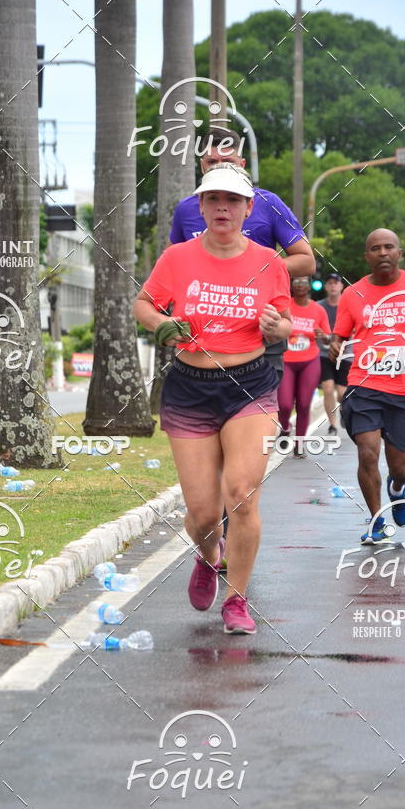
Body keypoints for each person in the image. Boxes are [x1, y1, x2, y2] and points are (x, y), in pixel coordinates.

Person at [134, 164, 292, 633]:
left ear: (247, 209)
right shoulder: (177, 258)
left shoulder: (270, 261)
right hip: (189, 387)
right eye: (213, 200)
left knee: (241, 494)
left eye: (232, 200)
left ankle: (237, 600)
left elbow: (284, 321)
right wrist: (160, 325)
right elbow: (144, 303)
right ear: (201, 208)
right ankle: (209, 555)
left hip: (251, 385)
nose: (222, 207)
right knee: (204, 514)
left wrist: (275, 327)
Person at [170, 126, 314, 380]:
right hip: (203, 335)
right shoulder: (187, 209)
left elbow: (306, 260)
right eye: (212, 161)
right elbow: (173, 270)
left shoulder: (267, 203)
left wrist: (253, 269)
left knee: (261, 413)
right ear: (201, 165)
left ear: (242, 163)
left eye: (228, 161)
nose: (220, 167)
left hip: (260, 329)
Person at [330, 229, 405, 544]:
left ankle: (398, 488)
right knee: (367, 454)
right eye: (375, 248)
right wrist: (334, 345)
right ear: (366, 256)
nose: (382, 252)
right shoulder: (353, 294)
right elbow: (340, 334)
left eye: (388, 247)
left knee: (401, 466)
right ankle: (377, 521)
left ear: (399, 253)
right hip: (364, 386)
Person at [277, 276, 331, 456]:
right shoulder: (285, 306)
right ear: (291, 285)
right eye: (296, 282)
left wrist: (323, 335)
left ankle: (299, 445)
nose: (300, 285)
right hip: (286, 360)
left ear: (309, 286)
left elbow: (328, 339)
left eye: (304, 282)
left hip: (309, 360)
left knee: (304, 403)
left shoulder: (318, 310)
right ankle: (285, 428)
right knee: (284, 404)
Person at [317, 272, 352, 435]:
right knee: (328, 389)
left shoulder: (348, 305)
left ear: (341, 286)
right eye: (329, 283)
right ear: (325, 286)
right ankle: (332, 424)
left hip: (345, 354)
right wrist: (321, 336)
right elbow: (314, 328)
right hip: (324, 354)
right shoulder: (319, 306)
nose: (333, 286)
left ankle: (344, 410)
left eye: (336, 283)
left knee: (341, 393)